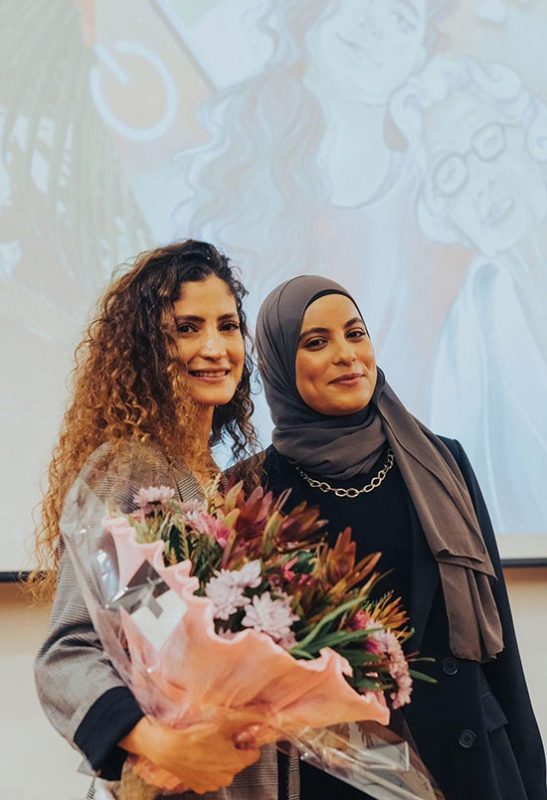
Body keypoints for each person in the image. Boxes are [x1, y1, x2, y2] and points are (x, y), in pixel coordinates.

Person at [253, 274, 547, 800]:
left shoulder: (441, 462)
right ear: (278, 364)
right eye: (317, 342)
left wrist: (534, 781)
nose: (347, 355)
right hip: (348, 775)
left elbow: (500, 643)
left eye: (356, 333)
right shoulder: (255, 490)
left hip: (472, 762)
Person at [31, 240, 299, 800]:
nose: (214, 347)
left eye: (227, 326)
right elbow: (71, 651)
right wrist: (160, 744)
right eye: (186, 329)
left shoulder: (227, 484)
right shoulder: (127, 477)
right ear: (145, 350)